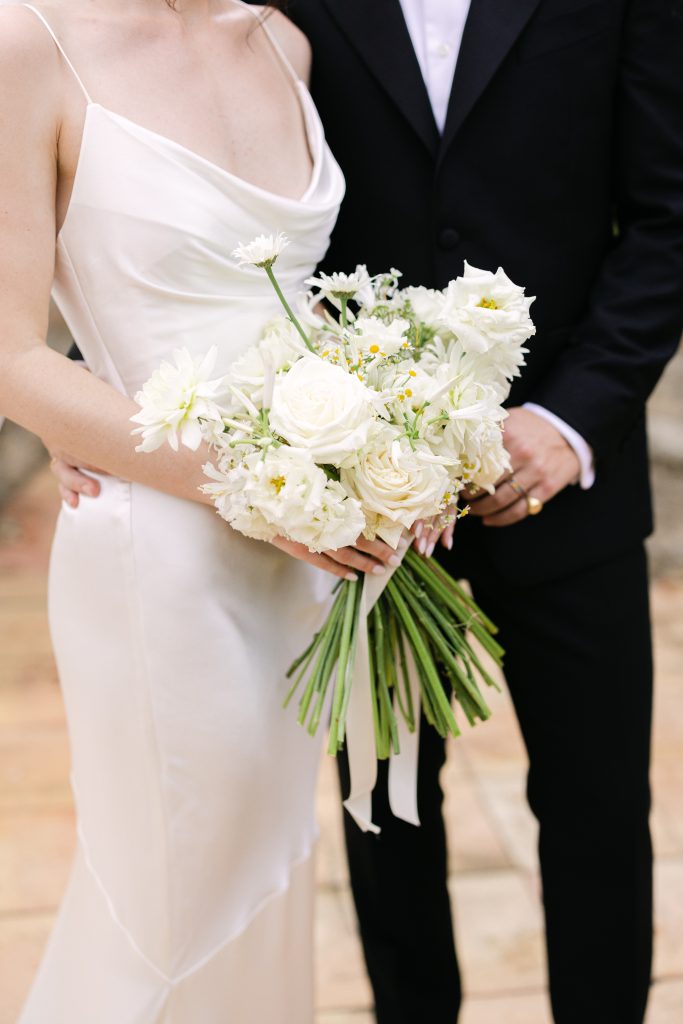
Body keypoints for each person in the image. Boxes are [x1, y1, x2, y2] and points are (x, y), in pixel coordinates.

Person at [48, 1, 683, 1022]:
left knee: (598, 811)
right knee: (385, 821)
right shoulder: (275, 8)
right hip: (342, 488)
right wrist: (89, 386)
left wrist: (568, 420)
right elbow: (199, 172)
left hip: (565, 485)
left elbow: (666, 217)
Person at [0, 1, 406, 1020]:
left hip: (301, 554)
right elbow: (9, 354)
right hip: (159, 555)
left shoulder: (278, 36)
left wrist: (385, 437)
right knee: (170, 903)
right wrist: (261, 489)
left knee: (263, 876)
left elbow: (282, 298)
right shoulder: (28, 44)